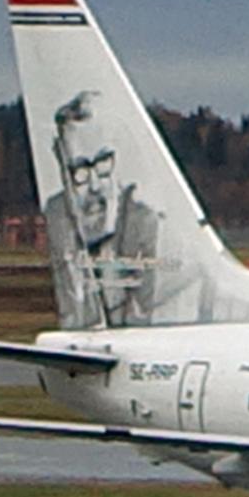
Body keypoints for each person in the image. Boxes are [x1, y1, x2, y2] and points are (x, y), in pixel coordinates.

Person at [41, 91, 161, 327]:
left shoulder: (144, 223)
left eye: (104, 163)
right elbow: (75, 317)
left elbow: (144, 311)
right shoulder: (60, 216)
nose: (95, 186)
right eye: (80, 170)